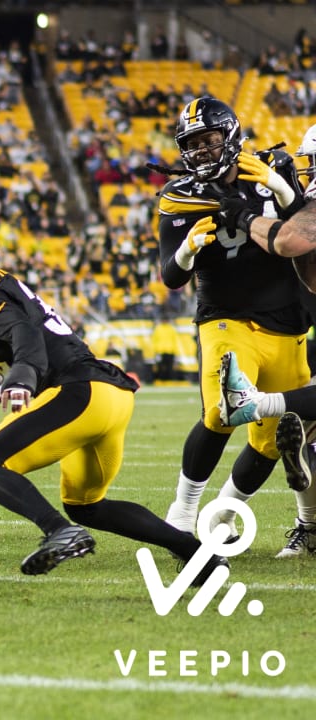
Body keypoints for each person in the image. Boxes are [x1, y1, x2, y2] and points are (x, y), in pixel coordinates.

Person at [0, 212, 224, 579]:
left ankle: (58, 531)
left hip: (77, 393)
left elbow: (23, 332)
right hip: (107, 397)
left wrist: (22, 377)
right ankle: (198, 556)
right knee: (86, 505)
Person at [156, 97, 310, 547]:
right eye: (192, 143)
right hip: (225, 317)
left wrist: (283, 190)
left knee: (271, 439)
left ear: (231, 134)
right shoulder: (178, 193)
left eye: (209, 139)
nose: (202, 150)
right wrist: (186, 250)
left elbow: (305, 229)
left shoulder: (271, 166)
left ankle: (220, 516)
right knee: (222, 410)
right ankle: (183, 513)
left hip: (287, 322)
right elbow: (171, 274)